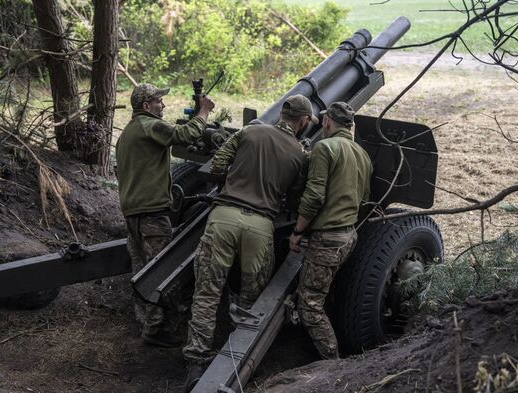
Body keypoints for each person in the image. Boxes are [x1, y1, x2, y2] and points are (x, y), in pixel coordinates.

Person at [182, 95, 317, 390]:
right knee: (250, 300)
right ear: (304, 121)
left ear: (282, 114)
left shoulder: (249, 131)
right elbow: (295, 193)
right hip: (260, 227)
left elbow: (217, 164)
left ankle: (196, 363)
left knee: (207, 293)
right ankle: (236, 359)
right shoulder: (300, 153)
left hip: (223, 217)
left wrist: (228, 183)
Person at [115, 83, 215, 347]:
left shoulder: (128, 133)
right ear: (146, 106)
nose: (164, 105)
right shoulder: (150, 126)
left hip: (133, 213)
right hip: (152, 214)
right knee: (162, 271)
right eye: (159, 101)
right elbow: (184, 135)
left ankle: (146, 321)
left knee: (141, 271)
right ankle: (158, 330)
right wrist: (203, 112)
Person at [289, 101, 373, 360]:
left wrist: (298, 231)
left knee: (309, 305)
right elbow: (364, 197)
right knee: (320, 295)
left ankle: (333, 364)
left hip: (327, 239)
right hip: (348, 236)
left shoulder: (324, 147)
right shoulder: (362, 154)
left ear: (326, 122)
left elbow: (314, 195)